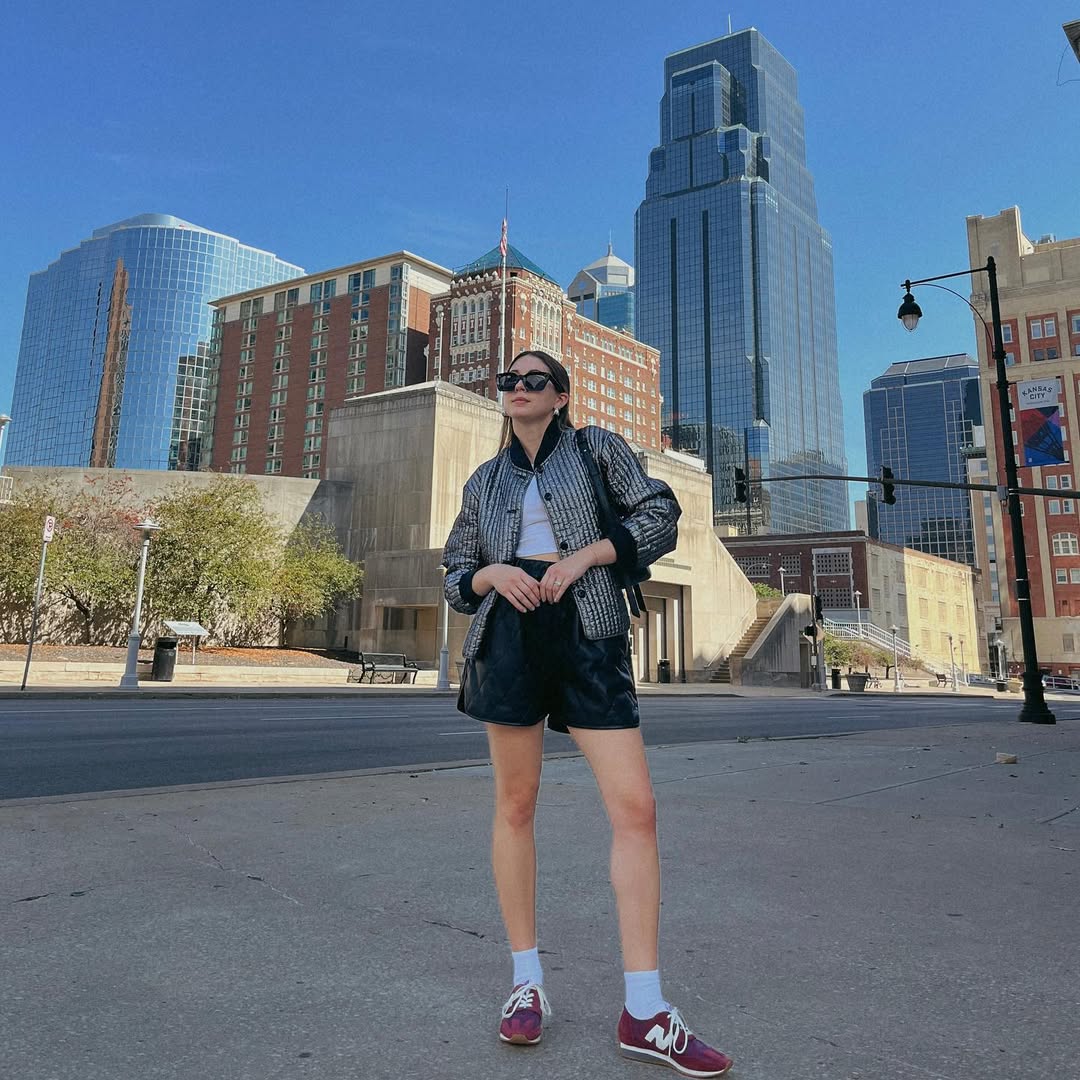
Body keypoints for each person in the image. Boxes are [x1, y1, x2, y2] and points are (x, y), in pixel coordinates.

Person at [442, 349, 734, 1077]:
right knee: (515, 805)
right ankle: (525, 985)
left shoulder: (597, 447)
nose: (517, 389)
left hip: (590, 628)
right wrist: (490, 572)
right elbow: (453, 572)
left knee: (636, 810)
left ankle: (644, 1009)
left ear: (561, 394)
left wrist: (587, 558)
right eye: (507, 382)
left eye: (533, 380)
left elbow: (660, 513)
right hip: (508, 636)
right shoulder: (485, 480)